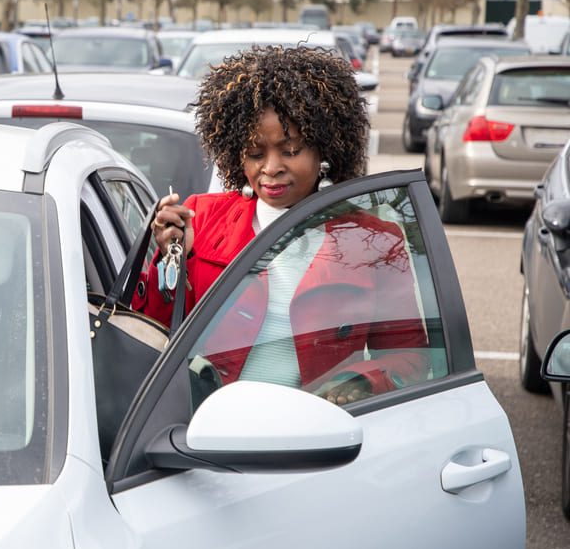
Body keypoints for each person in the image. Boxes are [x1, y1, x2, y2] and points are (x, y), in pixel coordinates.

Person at [132, 45, 429, 404]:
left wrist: (359, 384)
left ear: (324, 151)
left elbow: (409, 358)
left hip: (314, 435)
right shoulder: (201, 218)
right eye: (256, 153)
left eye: (290, 151)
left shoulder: (374, 241)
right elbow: (153, 335)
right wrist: (170, 259)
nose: (271, 167)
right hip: (207, 430)